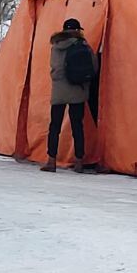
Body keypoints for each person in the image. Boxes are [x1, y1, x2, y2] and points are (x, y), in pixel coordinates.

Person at [42, 18, 96, 173]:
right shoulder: (84, 45)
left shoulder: (57, 46)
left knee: (55, 126)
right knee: (77, 126)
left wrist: (59, 80)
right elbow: (93, 66)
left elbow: (56, 68)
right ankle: (79, 161)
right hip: (78, 89)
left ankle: (51, 160)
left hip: (59, 90)